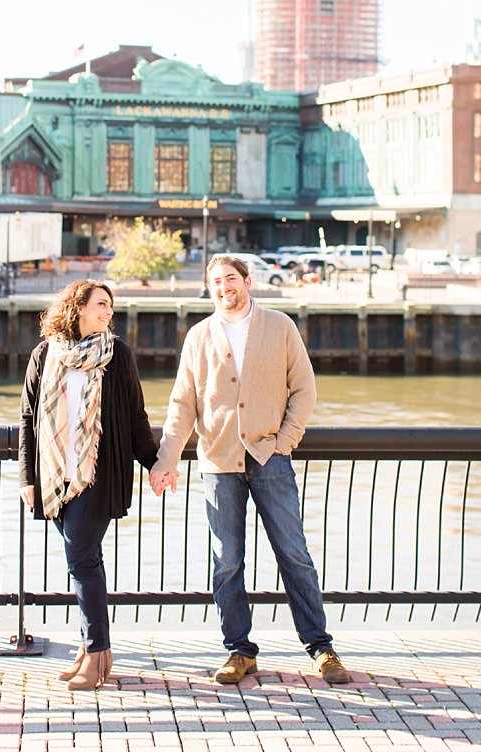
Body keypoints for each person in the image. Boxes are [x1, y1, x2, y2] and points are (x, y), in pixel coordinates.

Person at [149, 254, 350, 685]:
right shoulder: (199, 336)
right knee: (227, 562)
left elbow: (305, 389)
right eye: (216, 281)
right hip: (219, 463)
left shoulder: (280, 326)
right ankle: (239, 651)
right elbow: (182, 405)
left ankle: (320, 647)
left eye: (230, 279)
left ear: (247, 280)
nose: (224, 287)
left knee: (294, 555)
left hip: (270, 460)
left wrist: (284, 443)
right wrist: (166, 460)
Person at [19, 280, 159, 690]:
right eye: (100, 304)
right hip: (54, 474)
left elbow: (136, 415)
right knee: (85, 560)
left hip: (98, 472)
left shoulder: (118, 355)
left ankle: (96, 654)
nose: (107, 312)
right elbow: (28, 420)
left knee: (80, 559)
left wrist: (154, 462)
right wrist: (28, 477)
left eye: (110, 306)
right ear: (77, 307)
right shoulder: (45, 354)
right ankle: (92, 649)